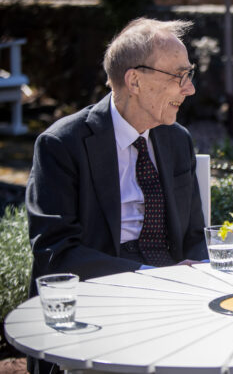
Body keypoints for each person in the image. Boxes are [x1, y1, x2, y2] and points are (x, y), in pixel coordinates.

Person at [27, 18, 208, 293]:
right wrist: (149, 278)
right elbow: (56, 253)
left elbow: (194, 235)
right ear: (134, 81)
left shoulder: (177, 139)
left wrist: (199, 267)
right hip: (98, 296)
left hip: (177, 291)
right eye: (178, 76)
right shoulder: (61, 145)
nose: (189, 89)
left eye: (189, 75)